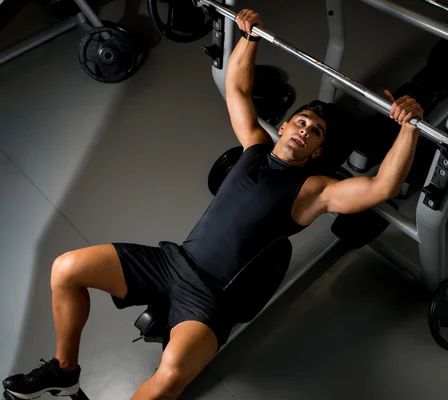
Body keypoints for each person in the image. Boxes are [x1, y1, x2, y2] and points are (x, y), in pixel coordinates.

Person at [2, 9, 424, 400]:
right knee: (66, 269)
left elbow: (382, 187)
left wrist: (409, 127)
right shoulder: (255, 147)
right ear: (283, 126)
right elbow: (238, 88)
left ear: (316, 151)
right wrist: (248, 35)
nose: (304, 130)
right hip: (171, 263)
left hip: (210, 301)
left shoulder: (314, 189)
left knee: (168, 378)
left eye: (314, 133)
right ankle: (64, 370)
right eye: (300, 121)